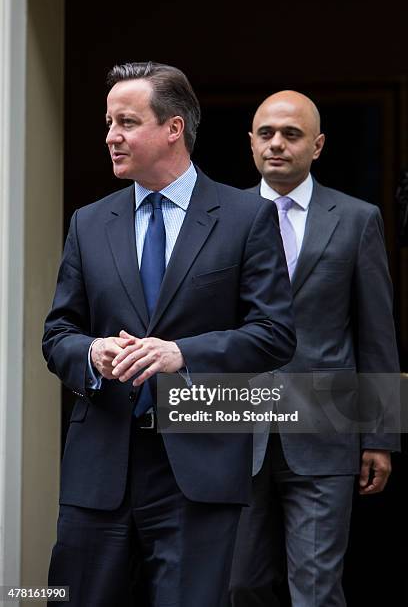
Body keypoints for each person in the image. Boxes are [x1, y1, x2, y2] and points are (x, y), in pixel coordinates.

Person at [42, 62, 296, 607]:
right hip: (100, 463)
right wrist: (91, 352)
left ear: (174, 128)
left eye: (127, 122)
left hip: (198, 468)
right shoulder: (89, 222)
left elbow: (275, 334)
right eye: (109, 122)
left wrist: (182, 353)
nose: (111, 135)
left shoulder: (245, 217)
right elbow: (58, 332)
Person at [229, 90, 400, 606]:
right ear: (251, 143)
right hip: (235, 428)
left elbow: (376, 332)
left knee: (317, 590)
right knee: (238, 586)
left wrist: (381, 437)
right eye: (266, 134)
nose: (276, 144)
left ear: (318, 145)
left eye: (291, 134)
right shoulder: (221, 219)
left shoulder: (356, 218)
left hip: (326, 427)